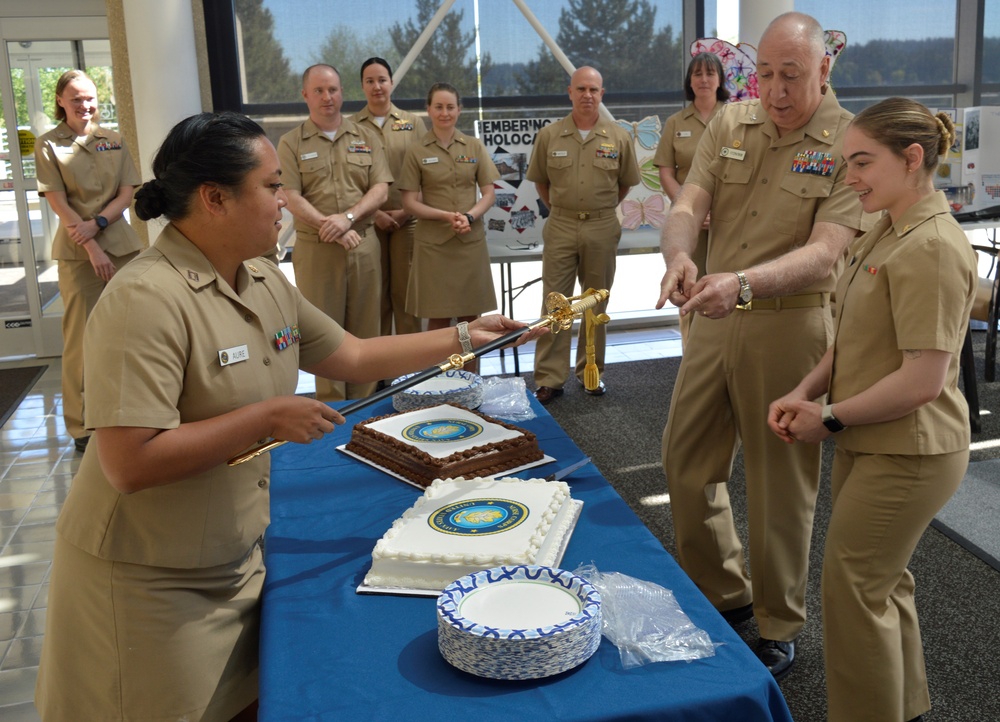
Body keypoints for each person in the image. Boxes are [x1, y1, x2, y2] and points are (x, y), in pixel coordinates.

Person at [34, 111, 543, 722]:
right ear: (214, 198)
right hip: (150, 580)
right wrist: (267, 417)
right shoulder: (144, 300)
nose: (283, 201)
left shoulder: (262, 276)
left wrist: (465, 334)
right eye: (272, 187)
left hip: (237, 557)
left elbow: (349, 352)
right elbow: (126, 463)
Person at [655, 12, 865, 680]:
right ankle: (724, 593)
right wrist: (678, 256)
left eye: (791, 76)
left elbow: (826, 252)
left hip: (790, 326)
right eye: (766, 74)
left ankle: (777, 624)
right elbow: (688, 202)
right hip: (712, 316)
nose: (774, 90)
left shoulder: (850, 143)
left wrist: (743, 283)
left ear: (823, 70)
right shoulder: (730, 122)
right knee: (684, 461)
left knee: (780, 486)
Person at [768, 99, 976, 722]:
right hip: (875, 437)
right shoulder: (884, 226)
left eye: (862, 162)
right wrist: (807, 391)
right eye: (846, 162)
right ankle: (902, 709)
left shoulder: (932, 247)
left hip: (912, 448)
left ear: (913, 159)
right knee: (881, 581)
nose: (849, 177)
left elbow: (923, 380)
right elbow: (851, 338)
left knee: (853, 586)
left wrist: (829, 418)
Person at [34, 69, 143, 453]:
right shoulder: (49, 145)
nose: (86, 104)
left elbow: (127, 190)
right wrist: (92, 246)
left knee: (133, 331)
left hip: (121, 245)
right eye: (76, 98)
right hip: (79, 253)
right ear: (61, 101)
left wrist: (99, 224)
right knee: (82, 338)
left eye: (91, 97)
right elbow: (57, 201)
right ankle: (81, 425)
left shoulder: (112, 140)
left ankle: (136, 411)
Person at [527, 66, 640, 404]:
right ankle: (550, 378)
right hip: (561, 225)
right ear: (570, 92)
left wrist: (598, 210)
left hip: (602, 226)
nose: (587, 95)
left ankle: (591, 373)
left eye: (594, 89)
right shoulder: (550, 135)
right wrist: (564, 210)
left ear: (602, 94)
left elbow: (623, 185)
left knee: (595, 302)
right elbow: (541, 183)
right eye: (581, 89)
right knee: (555, 303)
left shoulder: (618, 136)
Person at [278, 64, 391, 401]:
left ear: (342, 93)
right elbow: (290, 196)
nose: (327, 97)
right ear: (305, 95)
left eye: (333, 90)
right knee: (323, 333)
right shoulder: (291, 142)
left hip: (364, 246)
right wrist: (333, 226)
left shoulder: (367, 136)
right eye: (319, 91)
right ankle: (332, 412)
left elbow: (381, 188)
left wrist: (348, 218)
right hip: (317, 250)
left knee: (365, 330)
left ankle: (366, 407)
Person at [398, 82, 499, 373]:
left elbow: (489, 193)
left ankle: (471, 384)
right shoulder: (416, 150)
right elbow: (409, 202)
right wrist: (446, 216)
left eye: (450, 107)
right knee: (438, 322)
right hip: (434, 246)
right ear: (428, 110)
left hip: (469, 243)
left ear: (459, 110)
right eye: (438, 107)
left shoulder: (474, 146)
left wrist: (468, 216)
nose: (445, 113)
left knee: (471, 321)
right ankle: (436, 387)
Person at [652, 52, 729, 348]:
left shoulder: (736, 118)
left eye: (710, 73)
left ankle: (726, 355)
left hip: (729, 221)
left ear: (720, 79)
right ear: (690, 81)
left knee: (726, 285)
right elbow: (666, 173)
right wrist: (690, 211)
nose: (704, 79)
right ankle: (693, 356)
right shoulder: (675, 123)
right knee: (690, 288)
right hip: (691, 226)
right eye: (697, 73)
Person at [352, 57, 428, 337]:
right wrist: (375, 213)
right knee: (375, 295)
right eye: (370, 81)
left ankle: (411, 371)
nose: (377, 86)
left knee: (407, 295)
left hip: (408, 222)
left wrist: (407, 210)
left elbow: (426, 171)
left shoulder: (413, 123)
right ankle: (382, 375)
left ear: (392, 83)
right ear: (362, 86)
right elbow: (352, 179)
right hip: (368, 222)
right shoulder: (352, 127)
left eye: (382, 80)